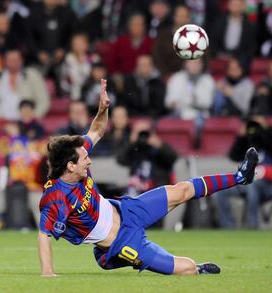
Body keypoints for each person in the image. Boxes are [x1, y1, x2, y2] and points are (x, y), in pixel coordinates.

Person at [37, 79, 259, 276]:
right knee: (187, 268)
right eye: (84, 158)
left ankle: (240, 177)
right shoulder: (55, 197)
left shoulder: (76, 158)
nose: (89, 159)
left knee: (181, 190)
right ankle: (198, 270)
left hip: (128, 210)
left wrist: (102, 109)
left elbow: (97, 131)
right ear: (70, 166)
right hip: (122, 242)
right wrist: (48, 273)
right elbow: (44, 234)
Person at [215, 117, 272, 229]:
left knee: (252, 185)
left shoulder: (271, 142)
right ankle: (228, 227)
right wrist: (241, 136)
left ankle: (252, 225)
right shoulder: (248, 143)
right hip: (249, 184)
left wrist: (267, 128)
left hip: (271, 185)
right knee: (221, 190)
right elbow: (233, 156)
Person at [0, 50, 50, 120]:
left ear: (22, 61)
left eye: (15, 60)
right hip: (1, 121)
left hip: (27, 121)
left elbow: (43, 100)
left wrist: (34, 116)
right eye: (10, 60)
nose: (13, 63)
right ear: (5, 62)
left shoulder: (32, 75)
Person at [116, 119, 177, 196]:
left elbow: (173, 158)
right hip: (137, 192)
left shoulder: (158, 148)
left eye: (145, 132)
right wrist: (131, 142)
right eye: (140, 133)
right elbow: (120, 159)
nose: (143, 135)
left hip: (157, 190)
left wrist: (158, 144)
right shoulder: (134, 150)